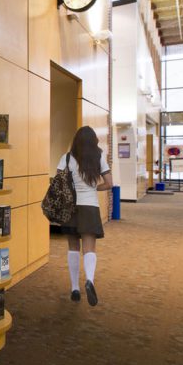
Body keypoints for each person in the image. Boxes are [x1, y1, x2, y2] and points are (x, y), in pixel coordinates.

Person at [58, 126, 113, 307]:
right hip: (90, 207)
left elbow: (58, 183)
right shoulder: (98, 157)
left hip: (71, 208)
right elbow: (109, 184)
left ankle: (74, 288)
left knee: (73, 247)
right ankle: (89, 280)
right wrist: (93, 188)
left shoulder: (66, 158)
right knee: (89, 248)